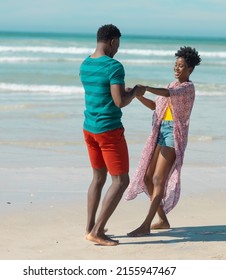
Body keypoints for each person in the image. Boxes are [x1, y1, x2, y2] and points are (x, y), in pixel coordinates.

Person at [125, 46, 201, 237]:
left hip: (173, 134)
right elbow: (155, 106)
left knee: (158, 179)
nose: (177, 68)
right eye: (175, 65)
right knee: (147, 178)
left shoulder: (187, 88)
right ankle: (162, 219)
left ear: (190, 69)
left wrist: (146, 88)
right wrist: (138, 95)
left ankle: (146, 224)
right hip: (160, 130)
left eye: (181, 66)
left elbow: (167, 95)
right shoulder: (171, 85)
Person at [79, 24, 144, 246]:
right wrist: (134, 92)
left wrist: (122, 92)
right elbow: (119, 102)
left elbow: (101, 93)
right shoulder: (114, 66)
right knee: (120, 180)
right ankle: (97, 232)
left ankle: (89, 227)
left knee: (97, 178)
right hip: (109, 130)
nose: (118, 50)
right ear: (113, 41)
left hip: (90, 128)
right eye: (118, 45)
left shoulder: (85, 64)